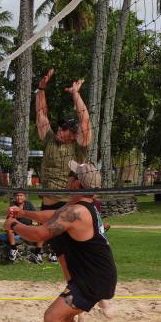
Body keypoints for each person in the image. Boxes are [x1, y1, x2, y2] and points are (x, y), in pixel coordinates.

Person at [6, 161, 116, 322]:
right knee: (64, 318)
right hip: (95, 274)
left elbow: (39, 233)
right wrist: (24, 212)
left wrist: (14, 225)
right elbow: (52, 215)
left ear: (77, 182)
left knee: (52, 318)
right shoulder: (80, 206)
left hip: (92, 278)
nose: (67, 178)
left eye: (70, 175)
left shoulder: (76, 212)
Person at [35, 69, 91, 279]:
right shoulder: (50, 138)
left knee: (79, 250)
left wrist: (76, 94)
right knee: (61, 255)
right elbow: (41, 114)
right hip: (48, 204)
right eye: (60, 126)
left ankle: (97, 293)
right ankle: (73, 287)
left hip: (68, 204)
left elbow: (85, 121)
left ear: (74, 133)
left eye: (65, 128)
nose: (61, 129)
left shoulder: (79, 147)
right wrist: (41, 89)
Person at [4, 189, 46, 264]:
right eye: (17, 196)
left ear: (25, 197)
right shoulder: (13, 204)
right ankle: (13, 249)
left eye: (21, 195)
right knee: (10, 228)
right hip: (17, 228)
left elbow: (36, 215)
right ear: (14, 197)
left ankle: (37, 252)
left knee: (43, 228)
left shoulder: (28, 204)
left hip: (28, 228)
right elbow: (10, 218)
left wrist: (39, 223)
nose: (19, 197)